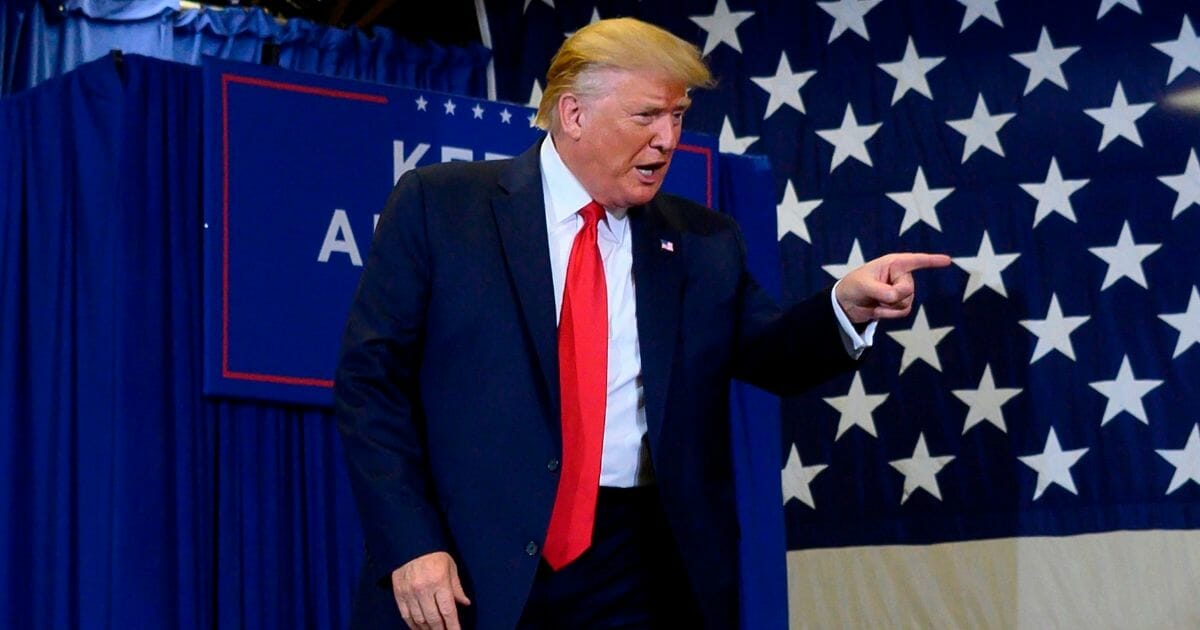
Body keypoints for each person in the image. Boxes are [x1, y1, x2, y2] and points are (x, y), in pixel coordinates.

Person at [334, 17, 950, 630]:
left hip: (640, 568)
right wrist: (411, 543)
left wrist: (843, 306)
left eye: (677, 116)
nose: (667, 139)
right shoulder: (443, 206)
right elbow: (371, 385)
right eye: (647, 116)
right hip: (472, 558)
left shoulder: (704, 242)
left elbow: (772, 351)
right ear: (573, 115)